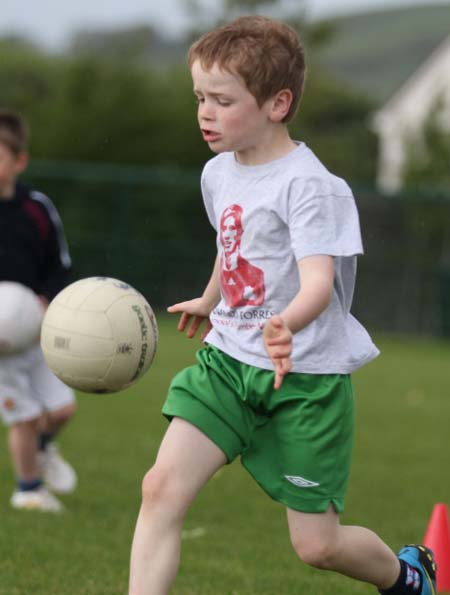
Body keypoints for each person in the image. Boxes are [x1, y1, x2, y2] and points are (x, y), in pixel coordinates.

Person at [128, 16, 436, 595]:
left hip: (304, 378)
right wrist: (211, 296)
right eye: (200, 97)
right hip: (226, 365)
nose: (205, 112)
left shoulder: (311, 186)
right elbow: (234, 242)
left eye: (222, 99)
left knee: (317, 546)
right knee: (160, 489)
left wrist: (285, 324)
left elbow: (317, 282)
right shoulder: (218, 172)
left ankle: (407, 575)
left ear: (278, 103)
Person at [0, 109, 77, 512]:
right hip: (1, 345)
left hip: (38, 330)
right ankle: (28, 490)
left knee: (62, 409)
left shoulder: (37, 208)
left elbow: (58, 264)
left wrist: (49, 299)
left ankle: (44, 451)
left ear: (19, 161)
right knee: (23, 417)